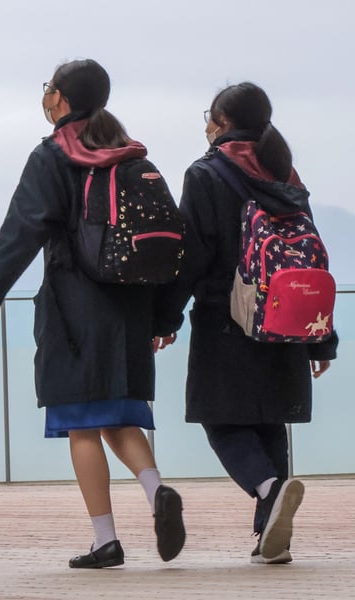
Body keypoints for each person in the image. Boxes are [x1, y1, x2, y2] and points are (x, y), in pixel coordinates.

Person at [0, 60, 185, 568]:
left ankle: (105, 540)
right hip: (132, 308)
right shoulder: (129, 154)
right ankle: (156, 492)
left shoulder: (54, 156)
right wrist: (164, 318)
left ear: (60, 99)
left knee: (83, 425)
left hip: (75, 308)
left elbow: (22, 230)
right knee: (121, 417)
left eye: (48, 89)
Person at [155, 82, 337, 565]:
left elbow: (192, 254)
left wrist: (165, 316)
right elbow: (309, 256)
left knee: (221, 419)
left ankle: (270, 489)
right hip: (288, 316)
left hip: (226, 315)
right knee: (269, 419)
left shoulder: (207, 173)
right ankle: (271, 537)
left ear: (220, 121)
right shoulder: (284, 172)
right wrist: (322, 337)